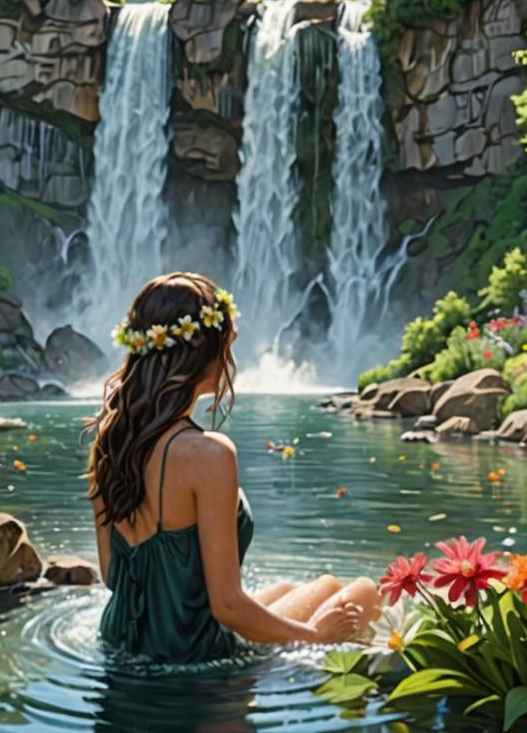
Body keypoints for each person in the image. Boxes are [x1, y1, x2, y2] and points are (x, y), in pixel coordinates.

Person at [86, 272, 381, 663]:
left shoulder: (109, 441)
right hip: (191, 653)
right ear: (206, 350)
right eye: (227, 341)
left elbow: (112, 576)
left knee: (306, 586)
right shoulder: (208, 454)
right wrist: (314, 635)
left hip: (123, 638)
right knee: (365, 592)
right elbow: (226, 606)